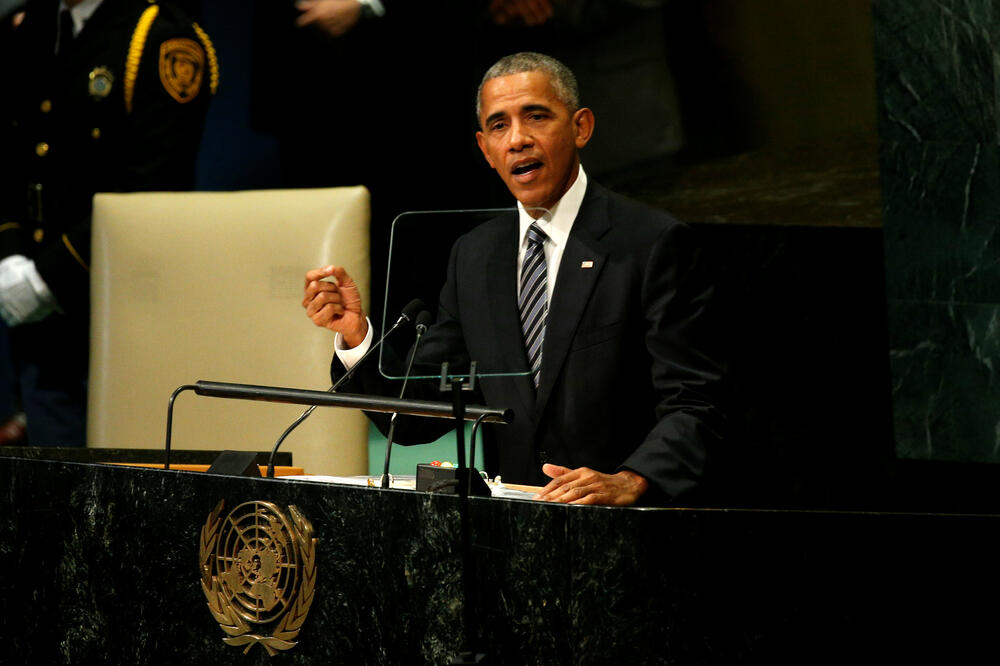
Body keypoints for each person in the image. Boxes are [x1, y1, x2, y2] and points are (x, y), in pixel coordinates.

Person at [303, 52, 725, 506]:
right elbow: (417, 415)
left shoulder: (651, 242)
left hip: (625, 525)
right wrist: (358, 336)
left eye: (536, 116)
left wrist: (633, 479)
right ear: (485, 149)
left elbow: (696, 401)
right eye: (499, 125)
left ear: (581, 127)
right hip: (515, 529)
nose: (518, 139)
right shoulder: (475, 256)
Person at [0, 0, 217, 445]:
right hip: (38, 316)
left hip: (120, 308)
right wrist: (9, 254)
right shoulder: (34, 24)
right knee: (53, 471)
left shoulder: (162, 37)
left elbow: (152, 189)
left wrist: (47, 276)